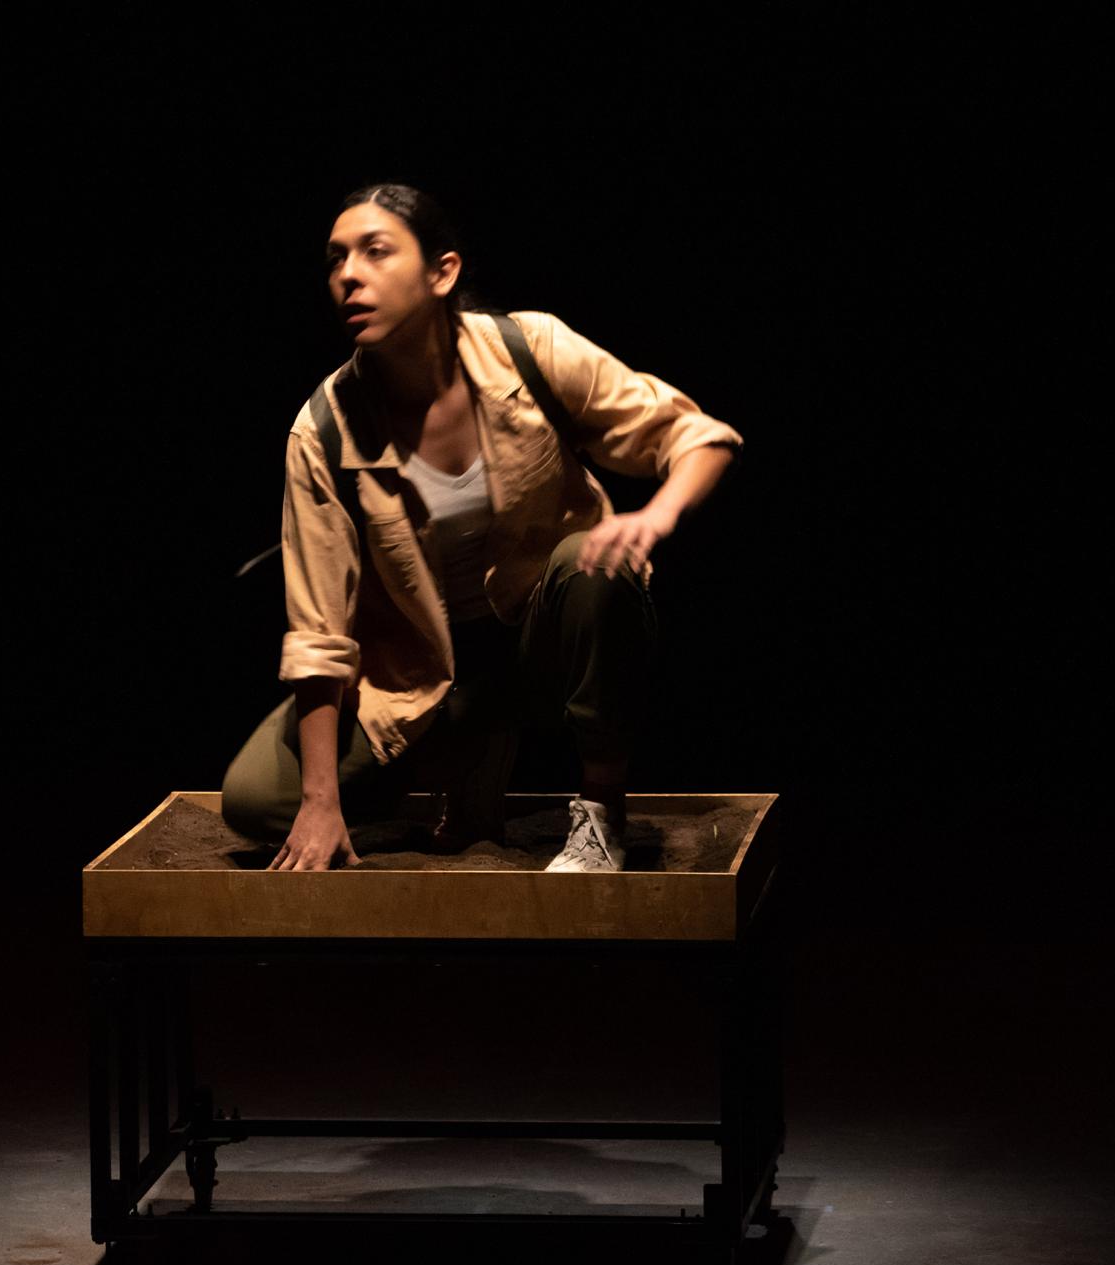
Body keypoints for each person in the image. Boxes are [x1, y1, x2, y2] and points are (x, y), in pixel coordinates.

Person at [220, 182, 741, 871]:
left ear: (442, 272)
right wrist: (320, 802)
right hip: (419, 675)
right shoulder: (323, 430)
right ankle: (467, 756)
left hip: (536, 640)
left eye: (375, 251)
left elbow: (699, 437)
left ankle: (600, 814)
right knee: (255, 801)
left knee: (598, 563)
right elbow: (319, 634)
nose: (348, 274)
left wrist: (655, 515)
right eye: (336, 258)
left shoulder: (529, 349)